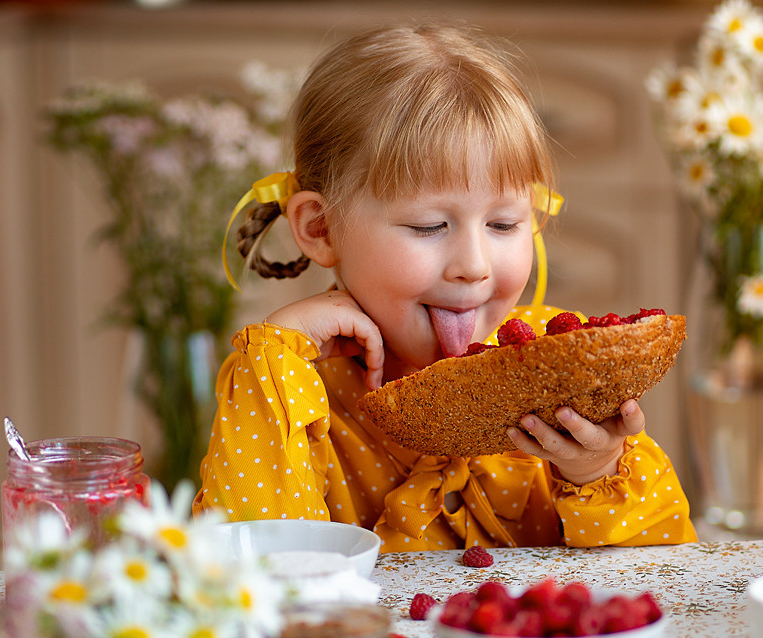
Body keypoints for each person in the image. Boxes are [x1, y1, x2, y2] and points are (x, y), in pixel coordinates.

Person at [193, 22, 697, 551]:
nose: (474, 266)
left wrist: (595, 468)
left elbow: (669, 572)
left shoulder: (557, 366)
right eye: (429, 227)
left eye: (503, 224)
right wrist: (274, 356)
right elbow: (249, 572)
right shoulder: (296, 386)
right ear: (320, 227)